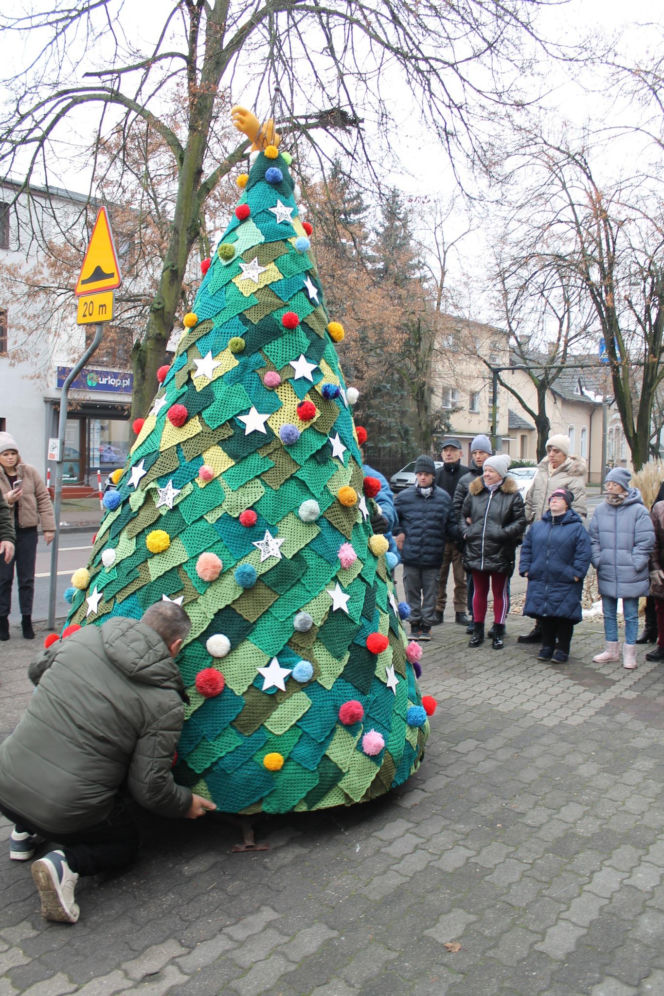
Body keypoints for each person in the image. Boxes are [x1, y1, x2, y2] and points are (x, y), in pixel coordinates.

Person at [0, 602, 216, 924]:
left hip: (6, 781)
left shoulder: (85, 637)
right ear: (176, 646)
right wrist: (184, 803)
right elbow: (149, 787)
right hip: (64, 810)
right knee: (124, 842)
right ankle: (65, 864)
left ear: (142, 623)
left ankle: (24, 831)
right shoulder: (164, 701)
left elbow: (35, 671)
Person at [519, 434, 588, 645]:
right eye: (549, 450)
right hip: (540, 535)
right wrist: (530, 519)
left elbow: (579, 510)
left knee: (558, 589)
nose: (551, 455)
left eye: (556, 451)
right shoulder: (541, 474)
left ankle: (558, 633)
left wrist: (569, 531)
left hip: (561, 539)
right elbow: (530, 499)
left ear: (565, 453)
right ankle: (540, 628)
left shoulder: (573, 477)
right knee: (540, 587)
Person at [589, 468, 655, 670]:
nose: (609, 487)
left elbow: (646, 541)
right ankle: (611, 650)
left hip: (631, 571)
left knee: (631, 613)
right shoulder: (600, 509)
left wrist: (636, 562)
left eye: (613, 484)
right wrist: (598, 559)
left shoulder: (639, 511)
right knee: (609, 612)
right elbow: (593, 538)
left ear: (623, 486)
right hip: (607, 568)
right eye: (607, 483)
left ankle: (630, 651)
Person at [461, 453, 526, 650]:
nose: (487, 474)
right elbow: (462, 515)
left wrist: (502, 533)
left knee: (499, 593)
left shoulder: (512, 495)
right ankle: (478, 629)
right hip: (477, 551)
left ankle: (498, 629)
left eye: (491, 471)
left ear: (501, 474)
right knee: (479, 592)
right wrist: (467, 532)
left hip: (500, 552)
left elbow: (520, 521)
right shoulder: (474, 492)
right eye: (486, 470)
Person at [519, 488, 591, 663]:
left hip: (565, 580)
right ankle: (547, 646)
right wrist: (527, 568)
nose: (554, 501)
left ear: (567, 503)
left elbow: (583, 553)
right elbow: (526, 548)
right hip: (541, 579)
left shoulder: (576, 528)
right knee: (546, 614)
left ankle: (563, 649)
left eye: (559, 498)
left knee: (564, 616)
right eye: (552, 498)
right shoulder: (538, 527)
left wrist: (576, 574)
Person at [394, 454, 458, 642]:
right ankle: (414, 624)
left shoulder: (444, 498)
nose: (423, 477)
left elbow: (451, 523)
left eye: (427, 474)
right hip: (411, 555)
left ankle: (427, 625)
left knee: (431, 592)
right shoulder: (404, 498)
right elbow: (394, 519)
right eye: (420, 474)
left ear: (433, 476)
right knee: (411, 591)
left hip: (434, 555)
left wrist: (463, 532)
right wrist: (400, 532)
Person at [0, 432, 56, 640]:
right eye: (5, 454)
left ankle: (26, 620)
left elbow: (43, 498)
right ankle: (2, 620)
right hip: (4, 534)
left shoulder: (29, 472)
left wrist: (48, 527)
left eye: (13, 453)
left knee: (26, 579)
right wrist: (7, 499)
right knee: (4, 579)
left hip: (27, 532)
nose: (10, 458)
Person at [453, 434, 493, 634]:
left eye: (482, 452)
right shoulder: (465, 480)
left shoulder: (499, 478)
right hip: (473, 541)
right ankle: (474, 618)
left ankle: (498, 622)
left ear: (490, 454)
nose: (478, 456)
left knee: (499, 583)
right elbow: (457, 509)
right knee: (472, 582)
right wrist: (465, 531)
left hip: (495, 542)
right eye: (475, 452)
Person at [433, 438, 470, 626]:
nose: (449, 453)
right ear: (441, 454)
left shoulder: (468, 476)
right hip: (440, 536)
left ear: (460, 453)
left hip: (460, 536)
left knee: (460, 577)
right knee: (439, 576)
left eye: (453, 450)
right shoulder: (435, 476)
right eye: (445, 450)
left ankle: (460, 610)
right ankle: (438, 609)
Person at [646, 495, 664, 662]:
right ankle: (662, 645)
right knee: (661, 608)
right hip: (662, 569)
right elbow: (654, 542)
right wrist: (655, 567)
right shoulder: (659, 508)